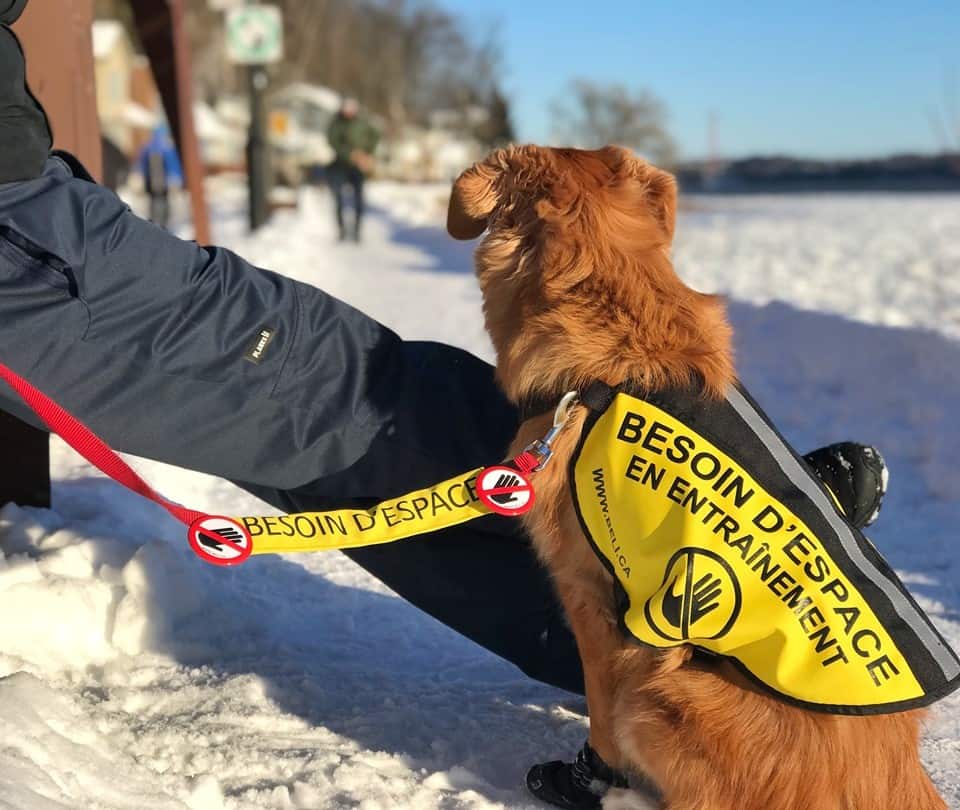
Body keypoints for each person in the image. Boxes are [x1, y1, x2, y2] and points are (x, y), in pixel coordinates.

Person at [0, 6, 887, 808]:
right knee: (342, 395)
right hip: (27, 242)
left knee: (345, 408)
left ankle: (706, 551)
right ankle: (707, 555)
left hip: (35, 228)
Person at [326, 97, 379, 241]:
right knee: (339, 199)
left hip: (358, 167)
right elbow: (332, 140)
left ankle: (357, 231)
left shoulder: (363, 122)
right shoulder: (336, 123)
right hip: (340, 166)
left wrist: (367, 153)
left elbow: (375, 136)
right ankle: (342, 230)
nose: (348, 111)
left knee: (359, 200)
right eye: (346, 108)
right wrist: (349, 154)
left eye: (351, 108)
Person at [138, 125, 182, 230]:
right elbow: (173, 165)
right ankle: (162, 225)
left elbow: (141, 165)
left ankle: (157, 224)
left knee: (155, 203)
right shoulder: (167, 148)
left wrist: (139, 175)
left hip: (153, 183)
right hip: (161, 184)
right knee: (162, 204)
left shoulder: (147, 147)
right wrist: (175, 178)